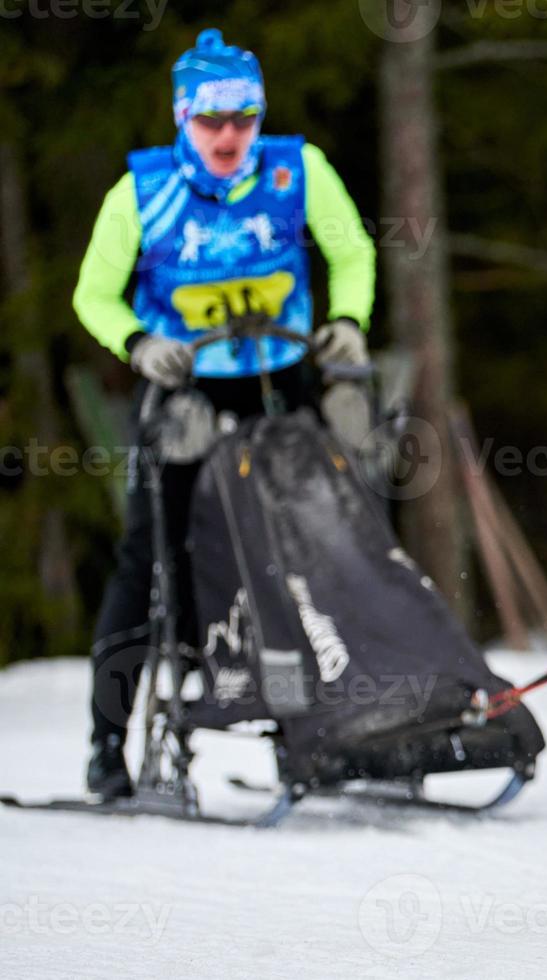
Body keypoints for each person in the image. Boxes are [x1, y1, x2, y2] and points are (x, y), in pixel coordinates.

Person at [73, 29, 377, 800]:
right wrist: (137, 343)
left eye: (244, 118)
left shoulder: (294, 168)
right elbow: (92, 295)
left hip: (283, 384)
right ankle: (107, 749)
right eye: (212, 122)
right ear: (182, 117)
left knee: (326, 540)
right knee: (151, 559)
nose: (229, 136)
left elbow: (352, 252)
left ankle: (350, 722)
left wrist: (348, 320)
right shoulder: (140, 191)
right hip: (186, 396)